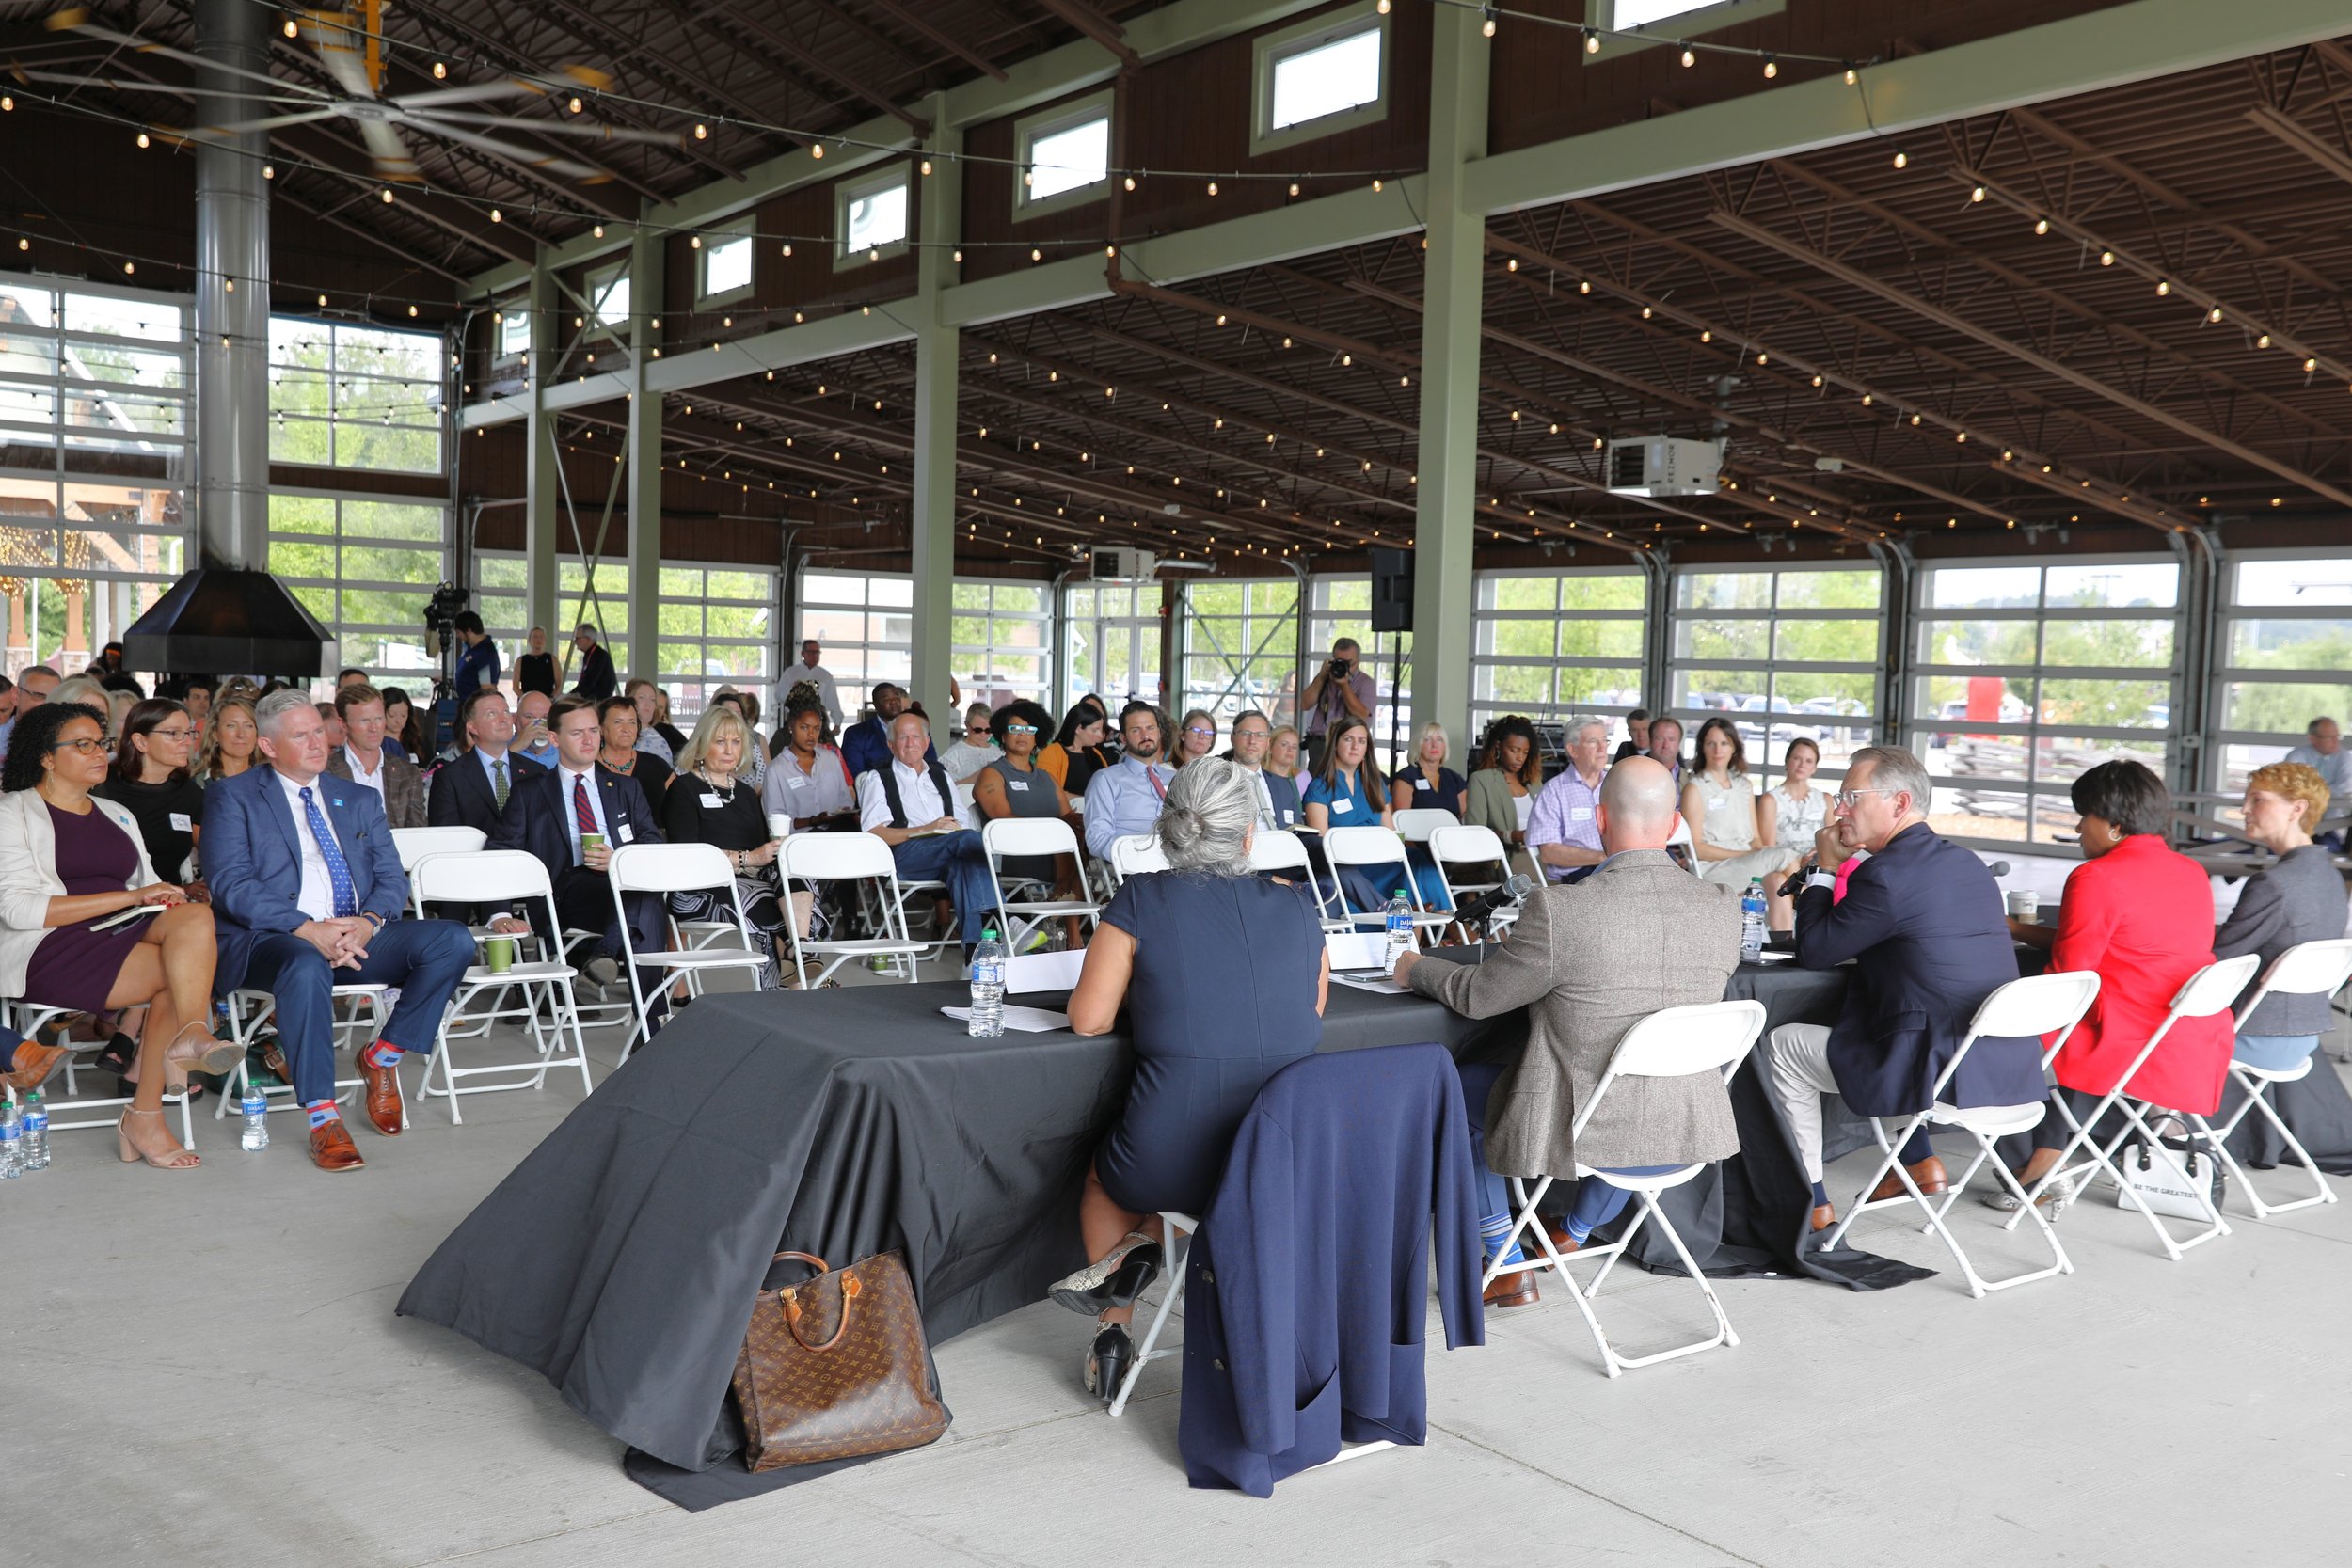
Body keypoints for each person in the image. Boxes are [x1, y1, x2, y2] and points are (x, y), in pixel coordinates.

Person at [1395, 757, 1742, 1307]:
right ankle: (1573, 1232)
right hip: (1685, 1127)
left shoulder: (1562, 910)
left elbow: (1480, 997)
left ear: (1600, 819)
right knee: (1629, 1075)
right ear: (1676, 822)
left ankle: (1504, 1259)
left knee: (1449, 1087)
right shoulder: (1723, 908)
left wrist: (1414, 967)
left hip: (1591, 1129)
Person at [1053, 757, 1328, 1400]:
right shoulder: (1297, 905)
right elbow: (1309, 1012)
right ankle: (1143, 1247)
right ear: (1249, 835)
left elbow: (1089, 1019)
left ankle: (1114, 1326)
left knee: (1105, 1176)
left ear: (1170, 828)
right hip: (1276, 1161)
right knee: (1171, 1160)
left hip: (1169, 1160)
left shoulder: (1142, 898)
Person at [199, 690, 478, 1172]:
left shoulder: (359, 798)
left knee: (451, 939)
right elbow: (230, 886)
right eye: (300, 735)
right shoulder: (233, 795)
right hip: (275, 941)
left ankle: (382, 1058)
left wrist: (368, 924)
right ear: (267, 746)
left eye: (319, 731)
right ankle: (323, 1118)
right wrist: (308, 929)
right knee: (305, 963)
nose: (318, 742)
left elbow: (392, 878)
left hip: (356, 935)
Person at [1777, 746, 2044, 1229]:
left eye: (1850, 797)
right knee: (1887, 1017)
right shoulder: (1968, 863)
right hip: (2007, 1066)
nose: (1839, 810)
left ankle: (1809, 1198)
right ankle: (1916, 1161)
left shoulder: (1886, 875)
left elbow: (1815, 951)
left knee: (1783, 1046)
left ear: (1899, 804)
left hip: (1938, 1070)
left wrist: (1824, 867)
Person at [0, 701, 238, 1168]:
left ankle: (191, 1036)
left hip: (123, 931)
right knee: (177, 970)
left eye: (102, 744)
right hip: (50, 946)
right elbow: (20, 909)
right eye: (83, 745)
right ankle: (146, 1114)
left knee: (192, 918)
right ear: (47, 757)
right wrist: (131, 899)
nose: (99, 754)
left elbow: (145, 886)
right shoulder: (13, 813)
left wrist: (161, 897)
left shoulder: (115, 811)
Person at [2003, 760, 2234, 1197]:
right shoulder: (2190, 871)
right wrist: (2017, 930)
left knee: (2001, 1024)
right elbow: (2118, 944)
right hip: (2186, 1031)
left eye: (2082, 815)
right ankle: (2045, 1159)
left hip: (2125, 1033)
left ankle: (2033, 1156)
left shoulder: (2096, 875)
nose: (2076, 828)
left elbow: (2070, 974)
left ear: (2112, 824)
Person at [488, 695, 667, 995]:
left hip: (619, 885)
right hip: (563, 891)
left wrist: (619, 861)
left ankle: (604, 956)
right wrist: (499, 913)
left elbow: (651, 842)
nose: (589, 740)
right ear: (555, 739)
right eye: (577, 733)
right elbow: (501, 853)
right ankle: (647, 1014)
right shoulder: (529, 793)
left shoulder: (626, 787)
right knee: (646, 904)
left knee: (646, 901)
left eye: (594, 731)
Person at [2211, 762, 2348, 1072]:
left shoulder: (2274, 883)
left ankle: (2167, 1122)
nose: (2245, 809)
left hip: (2252, 1035)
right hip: (2304, 1037)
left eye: (2257, 799)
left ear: (2296, 808)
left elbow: (2218, 961)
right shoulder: (2331, 878)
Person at [663, 704, 801, 988]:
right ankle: (796, 962)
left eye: (736, 742)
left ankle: (800, 951)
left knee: (797, 877)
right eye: (720, 741)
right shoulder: (684, 788)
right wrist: (748, 858)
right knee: (770, 898)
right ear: (702, 744)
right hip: (699, 889)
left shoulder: (747, 794)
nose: (729, 750)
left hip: (747, 883)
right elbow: (687, 855)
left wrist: (774, 852)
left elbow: (763, 850)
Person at [855, 711, 1000, 955]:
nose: (910, 743)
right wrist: (926, 829)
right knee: (969, 842)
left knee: (963, 865)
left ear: (927, 742)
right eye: (903, 738)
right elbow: (875, 834)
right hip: (903, 857)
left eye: (916, 736)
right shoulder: (878, 778)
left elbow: (961, 824)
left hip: (949, 853)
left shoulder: (940, 776)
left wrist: (948, 832)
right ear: (891, 745)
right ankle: (1007, 920)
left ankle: (974, 955)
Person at [1303, 716, 1448, 915]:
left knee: (1417, 859)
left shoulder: (1375, 784)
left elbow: (1391, 832)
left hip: (1378, 860)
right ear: (1335, 743)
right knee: (1415, 869)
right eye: (1348, 739)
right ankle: (1443, 925)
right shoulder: (1320, 787)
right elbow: (1323, 843)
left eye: (1361, 741)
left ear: (1367, 749)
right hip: (1347, 865)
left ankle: (1445, 921)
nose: (1355, 746)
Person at [972, 699, 1081, 900]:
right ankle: (1060, 904)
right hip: (1016, 852)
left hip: (1055, 852)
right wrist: (1049, 831)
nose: (1023, 734)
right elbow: (1002, 819)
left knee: (1079, 832)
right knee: (1072, 849)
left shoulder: (1047, 778)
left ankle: (1064, 912)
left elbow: (1069, 818)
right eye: (1015, 728)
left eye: (1030, 729)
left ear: (1037, 737)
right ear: (1003, 736)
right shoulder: (992, 774)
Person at [96, 698, 206, 893]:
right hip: (112, 902)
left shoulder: (189, 793)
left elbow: (216, 852)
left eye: (189, 733)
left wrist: (188, 889)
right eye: (174, 734)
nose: (188, 742)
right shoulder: (102, 789)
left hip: (169, 903)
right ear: (140, 741)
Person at [1680, 717, 1801, 893]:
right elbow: (1696, 849)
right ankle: (1810, 914)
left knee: (1777, 879)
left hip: (1747, 861)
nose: (1718, 750)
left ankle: (1790, 920)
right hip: (1714, 868)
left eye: (1724, 743)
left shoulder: (1744, 786)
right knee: (1786, 856)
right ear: (1702, 748)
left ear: (1734, 747)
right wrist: (1744, 855)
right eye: (1710, 743)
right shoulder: (1695, 789)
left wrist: (1759, 852)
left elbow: (1755, 838)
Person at [428, 688, 547, 835]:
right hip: (474, 857)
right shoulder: (450, 777)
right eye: (492, 714)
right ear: (472, 727)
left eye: (506, 711)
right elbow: (446, 837)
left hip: (527, 858)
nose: (504, 719)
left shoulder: (537, 772)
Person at [1081, 702, 1178, 860]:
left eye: (1150, 728)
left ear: (1159, 733)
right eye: (1136, 730)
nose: (1145, 736)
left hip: (1178, 861)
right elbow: (1097, 840)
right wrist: (1135, 856)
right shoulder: (1106, 780)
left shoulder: (1174, 779)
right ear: (1124, 738)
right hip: (1134, 863)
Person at [325, 683, 425, 831]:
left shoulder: (408, 773)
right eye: (364, 720)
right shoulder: (324, 772)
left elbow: (418, 833)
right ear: (343, 724)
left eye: (379, 718)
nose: (374, 728)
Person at [1756, 737, 1827, 933]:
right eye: (1797, 758)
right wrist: (1797, 861)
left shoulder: (1825, 800)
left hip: (1816, 862)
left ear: (1814, 767)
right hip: (1782, 865)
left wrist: (1813, 857)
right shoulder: (1771, 800)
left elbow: (1833, 841)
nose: (1801, 764)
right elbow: (1769, 847)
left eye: (1808, 761)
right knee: (1778, 878)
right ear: (1787, 761)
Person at [1524, 716, 1610, 879]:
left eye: (1605, 741)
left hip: (1616, 869)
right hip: (1578, 876)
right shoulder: (1554, 791)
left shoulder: (1616, 784)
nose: (1602, 748)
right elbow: (1549, 852)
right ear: (1572, 750)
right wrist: (1603, 858)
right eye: (1593, 741)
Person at [761, 702, 857, 830]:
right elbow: (776, 822)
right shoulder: (776, 770)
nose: (811, 735)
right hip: (798, 842)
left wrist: (844, 811)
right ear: (791, 727)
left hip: (835, 836)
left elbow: (845, 800)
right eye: (804, 728)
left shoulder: (831, 760)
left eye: (816, 729)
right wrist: (814, 821)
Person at [1465, 715, 1542, 852]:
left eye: (1525, 752)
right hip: (1504, 859)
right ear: (1498, 746)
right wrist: (1511, 836)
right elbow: (1475, 831)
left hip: (1542, 857)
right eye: (1514, 750)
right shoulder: (1481, 780)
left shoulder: (1534, 783)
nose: (1520, 758)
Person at [1298, 637, 1375, 773]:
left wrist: (1344, 686)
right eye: (1339, 661)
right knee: (1316, 789)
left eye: (1348, 663)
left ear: (1357, 662)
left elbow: (1363, 717)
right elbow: (1304, 704)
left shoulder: (1365, 683)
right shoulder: (1325, 678)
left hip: (1347, 746)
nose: (1343, 666)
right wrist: (1321, 677)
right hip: (1319, 746)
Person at [1229, 710, 1303, 831]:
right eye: (1245, 733)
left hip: (1282, 846)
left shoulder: (1284, 785)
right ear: (1232, 738)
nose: (1252, 741)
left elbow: (1297, 829)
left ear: (1268, 743)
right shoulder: (1217, 780)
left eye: (1260, 735)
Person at [840, 682, 932, 776]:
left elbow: (932, 763)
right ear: (875, 704)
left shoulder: (918, 728)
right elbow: (855, 773)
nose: (893, 701)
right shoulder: (856, 734)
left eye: (896, 696)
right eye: (886, 698)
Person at [2284, 718, 2351, 847]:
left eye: (2337, 736)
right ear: (2313, 739)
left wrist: (2310, 791)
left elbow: (2347, 788)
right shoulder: (2297, 756)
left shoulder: (2344, 757)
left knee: (2328, 849)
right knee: (2288, 851)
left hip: (2330, 827)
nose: (2336, 741)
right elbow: (2290, 786)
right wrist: (2329, 791)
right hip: (2296, 826)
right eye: (2330, 737)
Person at [597, 694, 673, 806]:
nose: (626, 729)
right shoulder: (589, 768)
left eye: (632, 722)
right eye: (618, 722)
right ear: (601, 728)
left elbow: (680, 802)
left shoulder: (656, 764)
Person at [1390, 721, 1466, 816]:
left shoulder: (1455, 779)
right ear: (1418, 745)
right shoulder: (1406, 778)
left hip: (1450, 830)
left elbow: (1464, 818)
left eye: (1439, 740)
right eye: (1427, 740)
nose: (1434, 745)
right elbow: (1402, 820)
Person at [1040, 702, 1113, 796]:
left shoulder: (1095, 754)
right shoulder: (1051, 753)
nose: (1100, 735)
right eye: (1095, 730)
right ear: (1078, 729)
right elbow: (1048, 790)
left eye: (1101, 730)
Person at [194, 692, 260, 785]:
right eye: (231, 726)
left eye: (248, 726)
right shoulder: (198, 785)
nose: (241, 734)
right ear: (215, 734)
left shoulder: (270, 783)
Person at [709, 689, 769, 791]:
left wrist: (753, 795)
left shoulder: (752, 743)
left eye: (738, 713)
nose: (735, 717)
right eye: (730, 712)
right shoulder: (706, 741)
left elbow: (765, 771)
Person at [937, 702, 999, 784]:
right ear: (967, 725)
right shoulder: (954, 754)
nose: (983, 735)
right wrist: (972, 779)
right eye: (978, 730)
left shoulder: (997, 753)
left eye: (988, 730)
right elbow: (945, 788)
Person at [787, 639, 842, 729]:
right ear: (803, 653)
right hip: (795, 721)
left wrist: (837, 724)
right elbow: (780, 696)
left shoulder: (826, 676)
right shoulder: (791, 673)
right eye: (811, 652)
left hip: (819, 723)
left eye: (817, 652)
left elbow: (833, 701)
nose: (815, 655)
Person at [624, 679, 674, 764]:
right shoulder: (618, 733)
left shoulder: (664, 738)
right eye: (641, 697)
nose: (648, 703)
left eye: (652, 699)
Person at [452, 610, 501, 695]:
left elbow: (487, 688)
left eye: (459, 632)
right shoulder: (472, 649)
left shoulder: (485, 654)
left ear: (469, 631)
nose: (458, 636)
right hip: (463, 704)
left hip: (473, 706)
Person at [568, 623, 617, 702]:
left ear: (588, 639)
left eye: (577, 638)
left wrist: (571, 696)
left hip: (598, 702)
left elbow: (589, 682)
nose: (575, 641)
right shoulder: (588, 655)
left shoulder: (600, 656)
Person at [515, 689, 558, 768]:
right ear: (515, 720)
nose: (538, 724)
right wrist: (517, 747)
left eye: (545, 717)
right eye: (529, 717)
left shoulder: (565, 751)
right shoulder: (501, 749)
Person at [378, 686, 422, 762]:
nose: (398, 720)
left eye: (403, 715)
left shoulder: (417, 740)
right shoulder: (375, 741)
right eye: (392, 715)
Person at [515, 626, 556, 699]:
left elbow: (558, 684)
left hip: (548, 700)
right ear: (529, 640)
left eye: (541, 637)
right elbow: (515, 687)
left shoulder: (552, 659)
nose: (538, 640)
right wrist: (525, 699)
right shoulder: (521, 660)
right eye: (535, 637)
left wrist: (551, 698)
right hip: (526, 700)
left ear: (545, 640)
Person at [1644, 715, 1686, 783]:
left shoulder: (1689, 779)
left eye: (1671, 739)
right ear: (1650, 741)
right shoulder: (1636, 773)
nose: (1666, 745)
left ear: (1679, 743)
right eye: (1659, 739)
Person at [648, 686, 688, 755]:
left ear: (665, 712)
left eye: (661, 707)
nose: (656, 710)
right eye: (655, 704)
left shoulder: (669, 732)